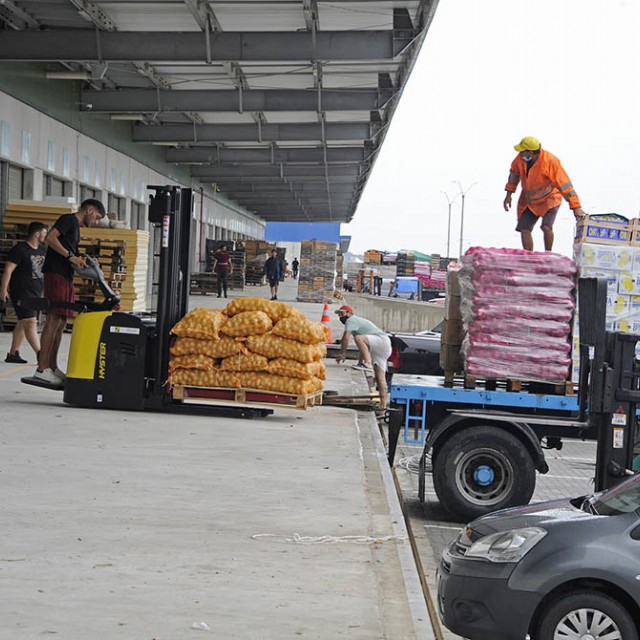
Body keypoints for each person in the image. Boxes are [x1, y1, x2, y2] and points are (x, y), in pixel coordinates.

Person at [34, 199, 106, 385]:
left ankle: (52, 366)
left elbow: (69, 249)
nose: (96, 221)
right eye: (97, 217)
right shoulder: (68, 219)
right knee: (53, 318)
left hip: (65, 274)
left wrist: (83, 259)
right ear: (89, 209)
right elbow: (50, 238)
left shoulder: (75, 227)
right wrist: (70, 256)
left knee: (62, 320)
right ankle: (42, 368)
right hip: (56, 272)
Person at [503, 136, 586, 251]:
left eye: (522, 151)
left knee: (546, 227)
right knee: (524, 228)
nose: (520, 153)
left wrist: (576, 207)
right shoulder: (519, 160)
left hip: (550, 199)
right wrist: (508, 195)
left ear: (530, 152)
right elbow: (513, 177)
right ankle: (529, 257)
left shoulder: (550, 161)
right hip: (530, 201)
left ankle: (548, 254)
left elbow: (565, 185)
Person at [0, 221, 48, 363]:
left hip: (36, 292)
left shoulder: (42, 251)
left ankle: (13, 354)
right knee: (30, 322)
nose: (46, 236)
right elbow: (8, 269)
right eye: (44, 233)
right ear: (37, 234)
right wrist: (3, 288)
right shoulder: (20, 249)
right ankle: (41, 355)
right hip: (21, 292)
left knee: (23, 322)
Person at [334, 305, 392, 411]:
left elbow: (346, 338)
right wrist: (359, 362)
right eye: (339, 315)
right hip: (383, 346)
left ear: (349, 313)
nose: (340, 317)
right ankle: (383, 407)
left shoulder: (351, 320)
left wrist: (343, 354)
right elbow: (362, 347)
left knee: (358, 338)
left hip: (380, 340)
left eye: (342, 314)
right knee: (380, 378)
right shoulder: (356, 324)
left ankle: (367, 363)